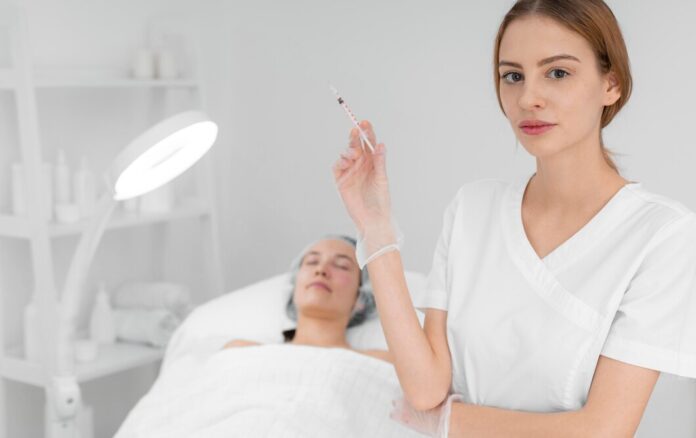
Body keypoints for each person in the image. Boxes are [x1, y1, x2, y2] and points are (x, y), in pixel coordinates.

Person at [332, 0, 696, 436]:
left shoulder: (661, 235)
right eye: (513, 76)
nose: (528, 99)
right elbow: (426, 389)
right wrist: (376, 228)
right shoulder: (472, 208)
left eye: (557, 73)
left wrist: (449, 420)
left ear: (611, 84)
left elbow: (605, 429)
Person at [224, 235, 392, 363]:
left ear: (362, 298)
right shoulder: (239, 353)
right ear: (294, 284)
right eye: (312, 262)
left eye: (341, 266)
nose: (321, 269)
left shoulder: (381, 363)